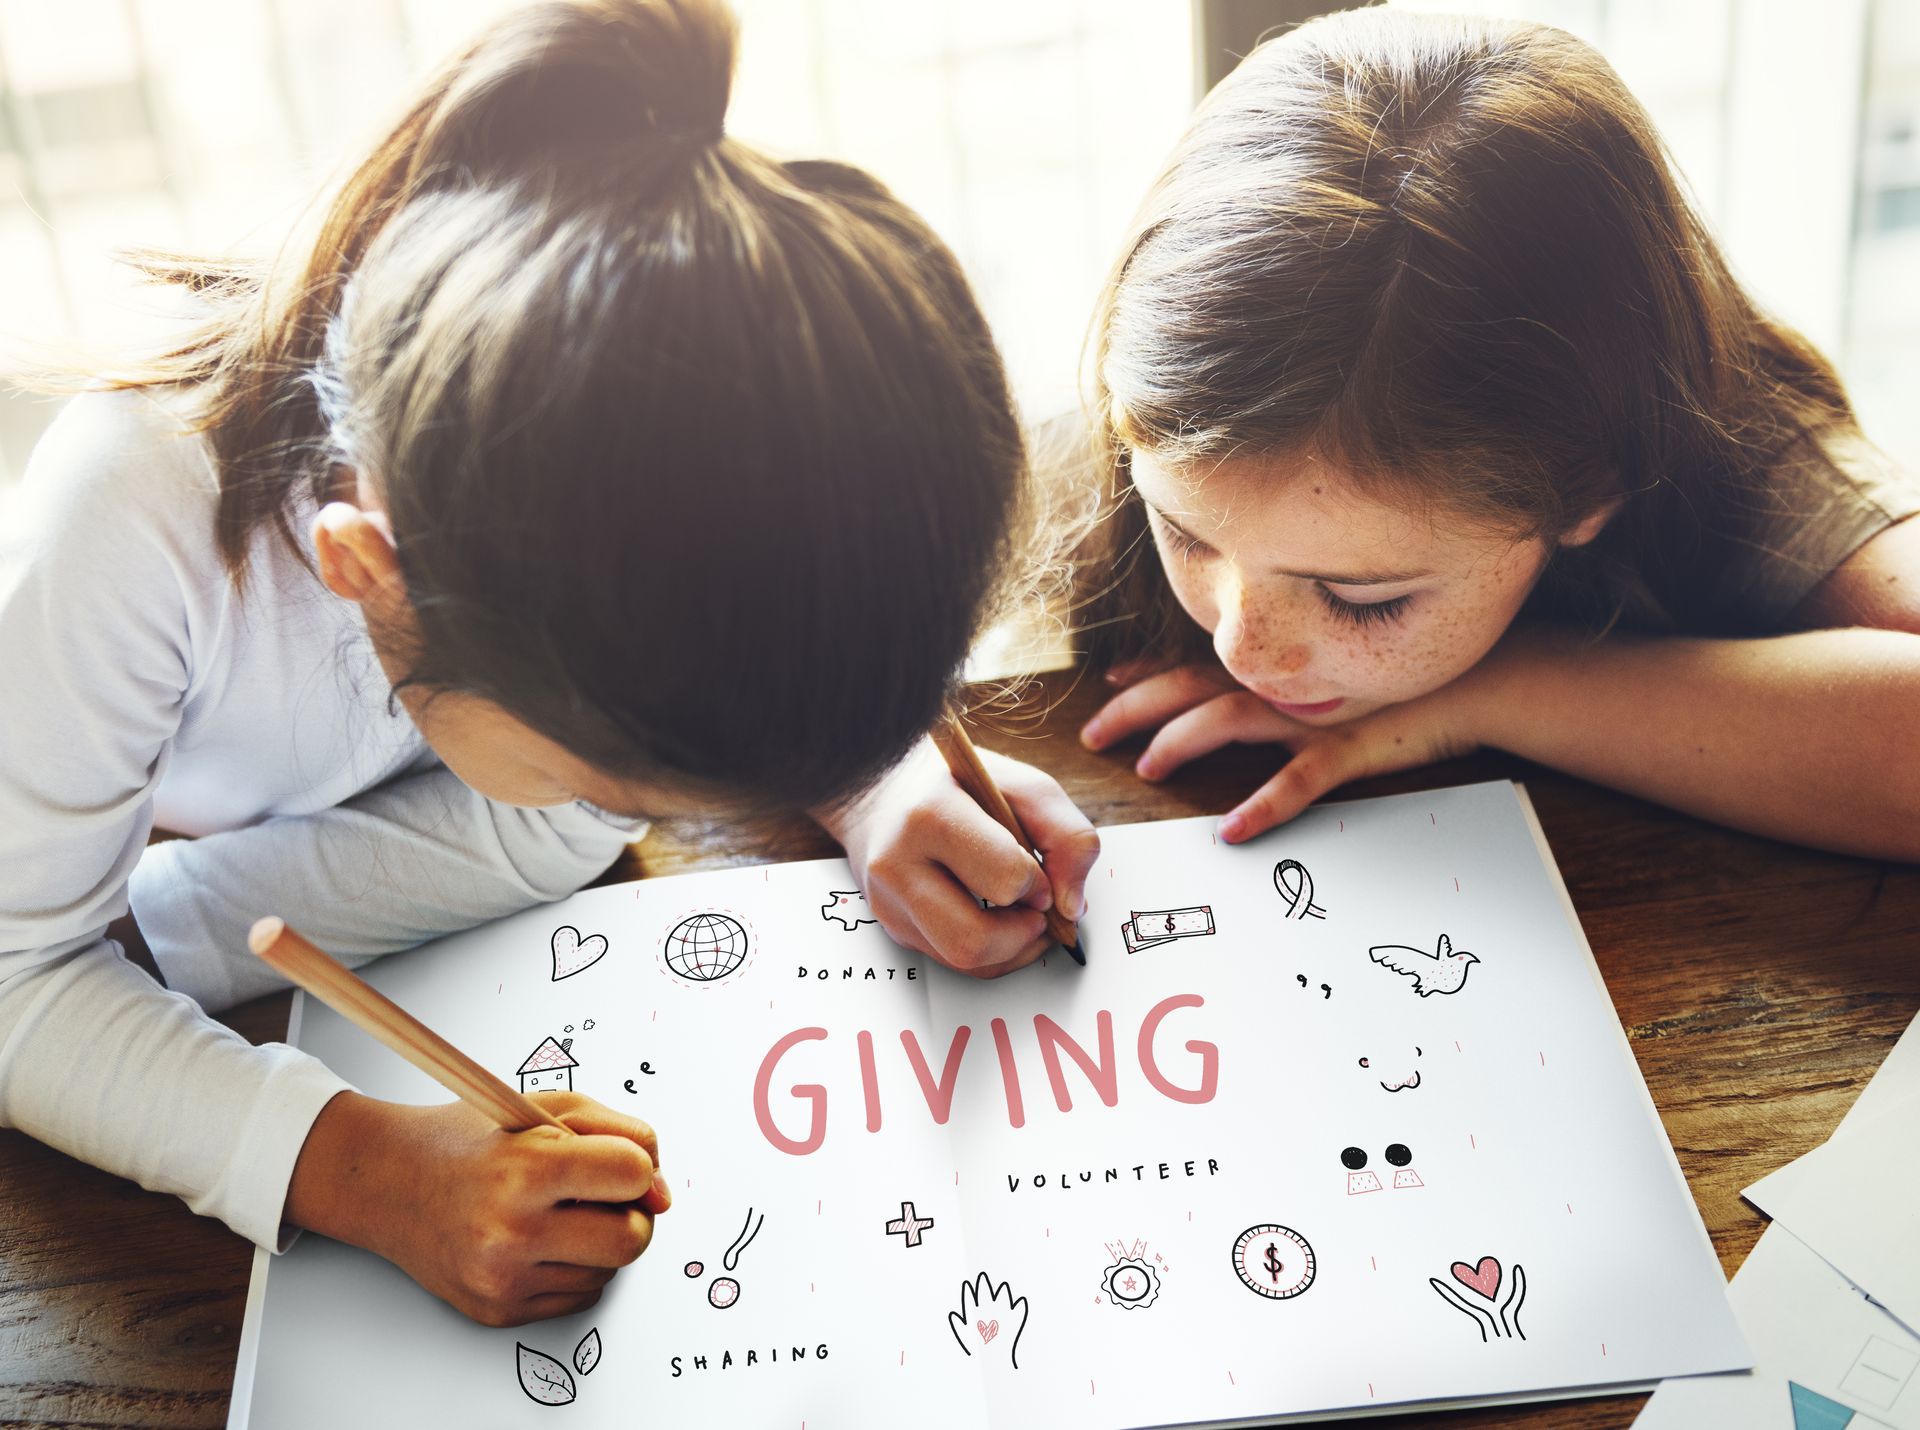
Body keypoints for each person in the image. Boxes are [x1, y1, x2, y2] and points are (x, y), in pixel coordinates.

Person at [0, 0, 1095, 1329]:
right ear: (368, 571)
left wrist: (867, 781)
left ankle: (173, 932)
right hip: (73, 854)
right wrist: (363, 1167)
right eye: (637, 783)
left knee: (557, 830)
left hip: (284, 843)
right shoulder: (127, 523)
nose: (676, 810)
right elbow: (19, 980)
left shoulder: (681, 365)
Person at [1074, 8, 1920, 860]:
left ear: (1594, 489)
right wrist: (928, 785)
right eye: (1184, 534)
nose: (1243, 646)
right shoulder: (1129, 417)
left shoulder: (1755, 454)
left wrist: (1498, 690)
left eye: (1365, 599)